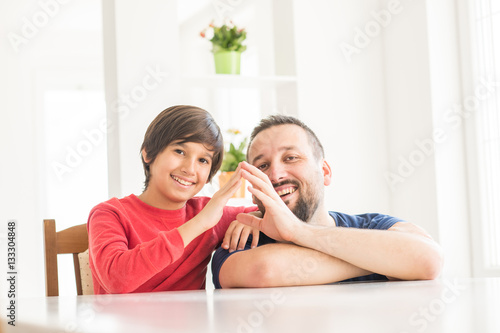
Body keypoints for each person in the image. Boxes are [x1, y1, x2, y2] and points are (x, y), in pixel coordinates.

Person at [212, 115, 443, 288]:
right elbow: (264, 272)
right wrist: (384, 258)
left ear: (324, 172)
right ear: (253, 189)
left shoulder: (372, 225)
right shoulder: (239, 241)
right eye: (262, 166)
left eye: (291, 158)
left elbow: (428, 259)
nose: (276, 174)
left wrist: (297, 231)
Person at [87, 105, 257, 294]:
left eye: (203, 160)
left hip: (191, 324)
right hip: (125, 323)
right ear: (148, 153)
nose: (190, 169)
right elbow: (116, 280)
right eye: (180, 152)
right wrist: (200, 223)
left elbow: (284, 217)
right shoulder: (109, 214)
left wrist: (255, 219)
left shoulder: (208, 211)